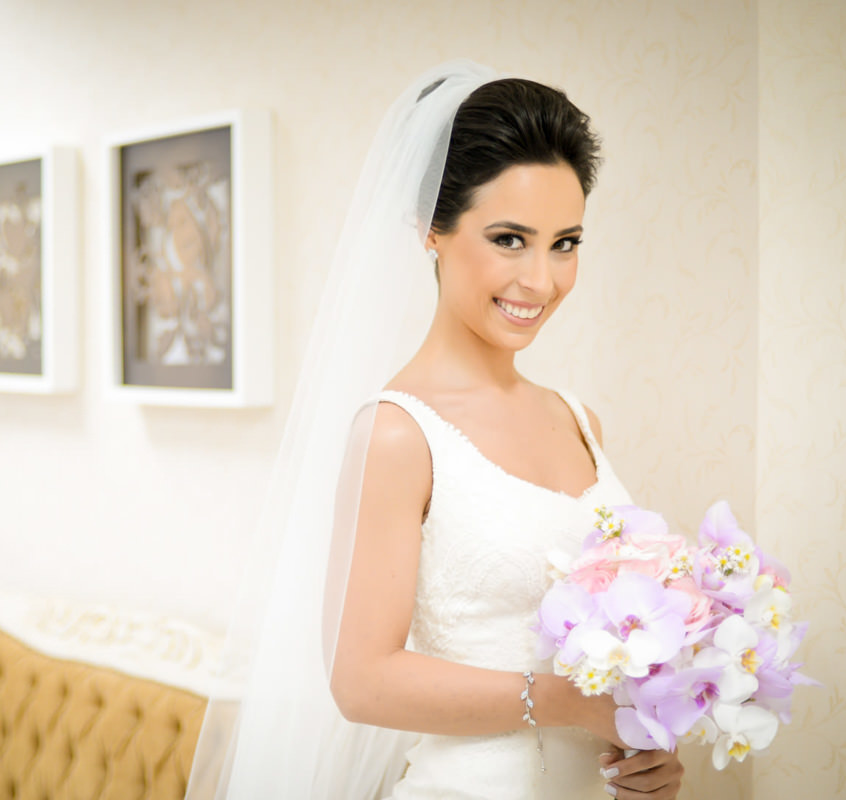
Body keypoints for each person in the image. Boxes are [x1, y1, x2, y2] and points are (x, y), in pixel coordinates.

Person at [186, 61, 685, 799]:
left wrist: (647, 751)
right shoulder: (399, 433)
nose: (542, 280)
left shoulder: (579, 421)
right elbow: (361, 681)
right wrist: (563, 701)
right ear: (431, 231)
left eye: (565, 242)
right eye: (509, 239)